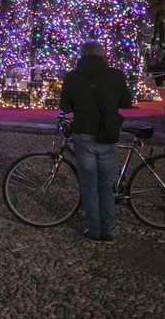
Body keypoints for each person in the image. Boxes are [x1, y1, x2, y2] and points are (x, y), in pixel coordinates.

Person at [59, 41, 132, 242]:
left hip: (83, 132)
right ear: (102, 55)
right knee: (105, 184)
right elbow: (126, 101)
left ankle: (93, 228)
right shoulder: (115, 75)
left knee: (89, 183)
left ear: (82, 55)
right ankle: (108, 229)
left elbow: (64, 105)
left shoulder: (73, 77)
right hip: (107, 134)